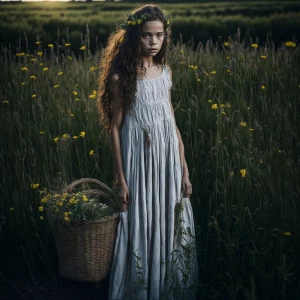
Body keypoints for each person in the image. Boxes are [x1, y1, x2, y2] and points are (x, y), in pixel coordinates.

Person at [97, 4, 198, 299]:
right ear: (133, 37)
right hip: (138, 161)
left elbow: (171, 122)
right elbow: (116, 128)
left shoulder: (165, 72)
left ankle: (167, 284)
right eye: (146, 36)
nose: (154, 42)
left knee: (169, 215)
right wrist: (122, 179)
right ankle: (141, 287)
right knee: (141, 218)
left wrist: (185, 168)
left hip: (166, 159)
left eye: (159, 35)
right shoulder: (121, 78)